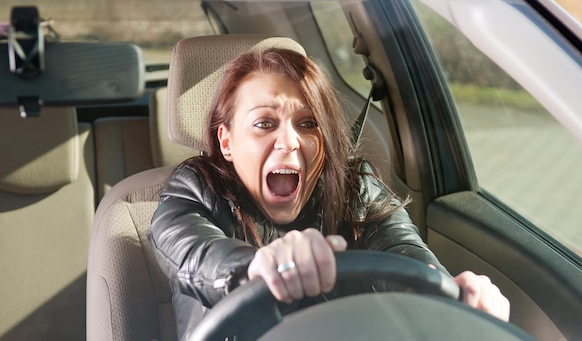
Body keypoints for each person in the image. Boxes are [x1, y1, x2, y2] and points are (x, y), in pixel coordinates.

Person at [148, 47, 510, 339]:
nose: (290, 141)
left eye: (308, 123)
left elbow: (406, 254)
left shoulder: (356, 188)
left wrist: (452, 298)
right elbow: (195, 254)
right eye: (264, 123)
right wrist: (257, 266)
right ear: (226, 141)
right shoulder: (193, 189)